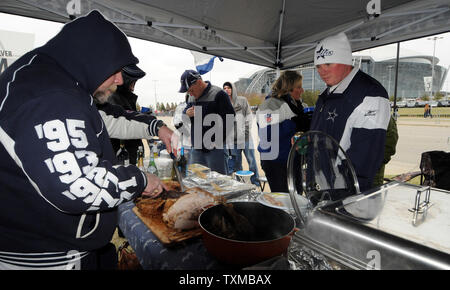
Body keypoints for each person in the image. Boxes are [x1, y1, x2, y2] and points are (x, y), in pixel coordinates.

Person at [0, 10, 171, 270]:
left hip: (65, 249)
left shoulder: (55, 82)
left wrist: (157, 127)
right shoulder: (51, 97)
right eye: (115, 70)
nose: (121, 79)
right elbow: (78, 185)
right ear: (92, 58)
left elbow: (109, 118)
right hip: (49, 259)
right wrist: (141, 179)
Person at [310, 32, 391, 192]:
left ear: (345, 61)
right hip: (322, 189)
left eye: (328, 64)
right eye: (318, 66)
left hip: (346, 195)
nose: (322, 71)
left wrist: (341, 198)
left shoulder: (370, 94)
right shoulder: (327, 94)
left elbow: (365, 158)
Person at [256, 71, 310, 192]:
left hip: (291, 160)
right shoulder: (271, 103)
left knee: (296, 196)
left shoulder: (294, 104)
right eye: (299, 87)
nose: (302, 90)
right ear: (289, 88)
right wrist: (293, 124)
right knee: (283, 201)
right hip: (275, 161)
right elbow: (267, 133)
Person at [180, 70, 235, 174]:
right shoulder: (191, 96)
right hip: (196, 148)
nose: (190, 94)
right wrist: (186, 113)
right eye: (188, 92)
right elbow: (185, 115)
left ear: (199, 83)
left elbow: (230, 118)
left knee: (219, 183)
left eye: (191, 90)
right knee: (196, 180)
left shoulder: (219, 94)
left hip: (215, 149)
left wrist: (218, 140)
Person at [223, 81, 260, 187]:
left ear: (233, 89)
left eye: (229, 88)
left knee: (251, 161)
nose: (227, 90)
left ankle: (255, 183)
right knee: (237, 165)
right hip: (233, 141)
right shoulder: (224, 103)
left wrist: (246, 132)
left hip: (246, 138)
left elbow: (249, 117)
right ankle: (241, 185)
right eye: (225, 88)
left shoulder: (242, 100)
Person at [108, 63, 147, 165]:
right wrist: (148, 122)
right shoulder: (114, 99)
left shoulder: (125, 98)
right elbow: (125, 125)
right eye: (132, 82)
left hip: (130, 156)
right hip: (124, 159)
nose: (133, 87)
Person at [173, 94, 192, 163]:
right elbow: (177, 123)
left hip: (200, 145)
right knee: (187, 167)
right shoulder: (181, 107)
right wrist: (189, 135)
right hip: (186, 143)